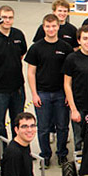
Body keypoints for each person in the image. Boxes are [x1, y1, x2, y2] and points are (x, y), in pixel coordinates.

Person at [25, 14, 72, 168]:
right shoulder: (36, 48)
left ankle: (62, 154)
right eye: (47, 26)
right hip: (42, 94)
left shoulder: (65, 48)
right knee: (43, 128)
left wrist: (68, 94)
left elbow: (69, 74)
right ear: (43, 27)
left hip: (61, 94)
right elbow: (31, 72)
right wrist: (34, 94)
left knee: (63, 127)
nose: (51, 29)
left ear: (58, 27)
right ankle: (45, 155)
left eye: (53, 26)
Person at [0, 5, 27, 159]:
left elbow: (21, 55)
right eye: (4, 17)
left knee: (19, 124)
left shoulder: (18, 35)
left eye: (10, 17)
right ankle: (1, 156)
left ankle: (19, 154)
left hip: (17, 88)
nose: (7, 20)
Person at [1, 112, 37, 176]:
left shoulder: (25, 144)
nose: (29, 130)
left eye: (32, 126)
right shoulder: (13, 153)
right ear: (16, 130)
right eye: (24, 126)